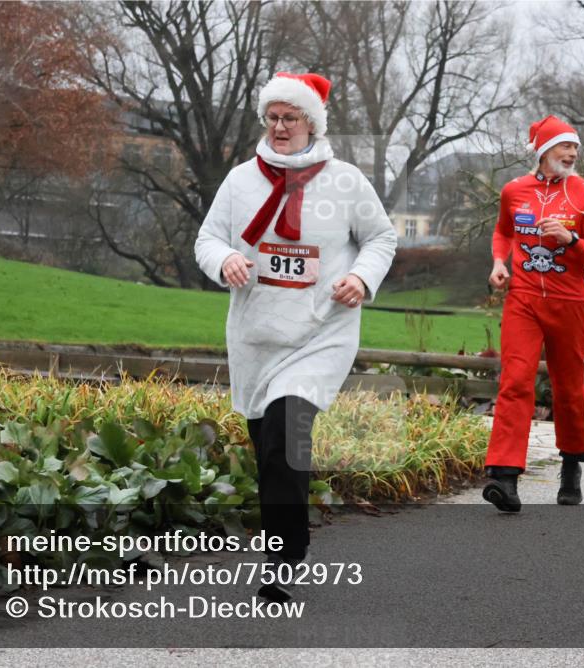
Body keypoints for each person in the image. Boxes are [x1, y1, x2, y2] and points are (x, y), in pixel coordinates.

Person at [194, 72, 397, 599]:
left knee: (288, 432)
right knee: (268, 448)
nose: (280, 127)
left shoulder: (346, 180)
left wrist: (361, 277)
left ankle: (281, 558)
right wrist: (226, 259)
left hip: (320, 332)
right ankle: (292, 536)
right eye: (273, 117)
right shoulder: (241, 181)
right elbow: (207, 239)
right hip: (257, 335)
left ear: (312, 122)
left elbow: (380, 237)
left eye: (291, 117)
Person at [482, 115, 584, 512]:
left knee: (569, 388)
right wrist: (498, 263)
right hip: (522, 299)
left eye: (574, 148)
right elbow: (503, 231)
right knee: (515, 382)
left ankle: (571, 466)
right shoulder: (514, 190)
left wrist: (571, 238)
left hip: (569, 303)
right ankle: (504, 478)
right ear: (543, 151)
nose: (572, 153)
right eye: (564, 147)